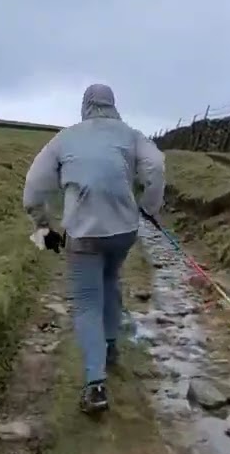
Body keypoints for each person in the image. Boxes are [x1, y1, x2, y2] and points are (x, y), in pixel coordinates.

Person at [22, 83, 166, 414]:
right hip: (123, 230)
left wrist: (43, 226)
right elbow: (156, 167)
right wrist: (149, 205)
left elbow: (32, 190)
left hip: (82, 234)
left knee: (88, 301)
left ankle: (95, 384)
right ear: (112, 104)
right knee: (111, 279)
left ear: (85, 105)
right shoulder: (131, 135)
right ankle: (112, 345)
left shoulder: (65, 138)